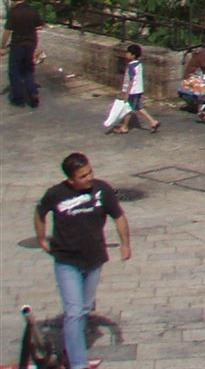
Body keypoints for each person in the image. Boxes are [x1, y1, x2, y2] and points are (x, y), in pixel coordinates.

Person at [35, 150, 131, 369]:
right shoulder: (55, 194)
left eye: (90, 173)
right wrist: (41, 238)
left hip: (94, 258)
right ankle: (77, 364)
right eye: (83, 176)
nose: (89, 178)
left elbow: (118, 216)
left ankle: (69, 350)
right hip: (66, 260)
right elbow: (40, 213)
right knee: (74, 312)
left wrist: (125, 244)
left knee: (85, 308)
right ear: (71, 180)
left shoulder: (102, 190)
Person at [6, 0, 43, 109]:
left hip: (17, 45)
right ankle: (33, 93)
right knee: (28, 69)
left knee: (14, 71)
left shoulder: (13, 12)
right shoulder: (32, 10)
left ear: (13, 1)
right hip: (31, 43)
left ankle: (18, 99)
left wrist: (2, 47)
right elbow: (39, 26)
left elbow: (7, 31)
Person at [110, 45, 160, 135]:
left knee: (128, 109)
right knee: (138, 107)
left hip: (132, 91)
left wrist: (127, 93)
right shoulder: (139, 64)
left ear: (133, 55)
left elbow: (131, 80)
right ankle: (153, 122)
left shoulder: (131, 66)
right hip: (138, 90)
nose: (126, 54)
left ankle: (124, 127)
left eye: (128, 53)